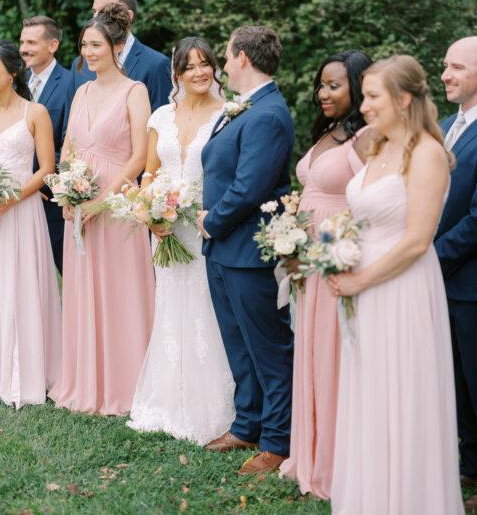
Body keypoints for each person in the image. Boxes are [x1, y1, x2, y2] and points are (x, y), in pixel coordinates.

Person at [328, 55, 464, 515]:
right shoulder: (374, 147)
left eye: (371, 97)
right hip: (362, 288)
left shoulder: (426, 152)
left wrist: (361, 279)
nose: (363, 106)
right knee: (369, 394)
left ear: (403, 99)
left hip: (401, 288)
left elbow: (417, 240)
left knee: (402, 396)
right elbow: (360, 215)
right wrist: (333, 252)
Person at [127, 37, 235, 444]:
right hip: (167, 230)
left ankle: (217, 403)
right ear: (177, 74)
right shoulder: (160, 117)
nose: (200, 72)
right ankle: (169, 398)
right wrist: (150, 212)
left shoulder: (228, 115)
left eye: (206, 64)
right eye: (190, 66)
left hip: (208, 227)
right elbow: (149, 174)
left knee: (209, 308)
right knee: (171, 308)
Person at [49, 4, 155, 416]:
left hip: (118, 203)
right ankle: (86, 380)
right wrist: (68, 193)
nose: (88, 52)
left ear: (115, 47)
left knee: (121, 288)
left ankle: (126, 384)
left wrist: (101, 200)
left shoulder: (136, 91)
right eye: (84, 45)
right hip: (80, 204)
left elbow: (139, 156)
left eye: (95, 44)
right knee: (84, 289)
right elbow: (70, 148)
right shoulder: (81, 91)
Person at [198, 25, 294, 475]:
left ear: (241, 57)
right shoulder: (244, 108)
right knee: (239, 345)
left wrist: (210, 221)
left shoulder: (269, 114)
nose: (223, 60)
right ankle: (247, 423)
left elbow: (250, 187)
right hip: (223, 250)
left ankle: (277, 440)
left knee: (267, 348)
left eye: (226, 53)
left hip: (248, 250)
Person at [279, 50, 373, 497]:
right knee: (312, 352)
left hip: (340, 259)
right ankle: (311, 452)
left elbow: (371, 205)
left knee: (336, 355)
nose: (323, 93)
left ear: (358, 87)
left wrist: (331, 252)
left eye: (334, 85)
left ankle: (339, 460)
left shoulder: (368, 139)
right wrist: (291, 240)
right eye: (321, 85)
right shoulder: (328, 132)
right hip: (308, 263)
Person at [0, 41, 61, 407]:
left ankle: (30, 369)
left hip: (22, 210)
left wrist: (11, 197)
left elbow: (47, 169)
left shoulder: (35, 112)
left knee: (24, 283)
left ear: (12, 72)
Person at [435, 36, 477, 514]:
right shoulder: (447, 126)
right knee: (456, 382)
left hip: (469, 281)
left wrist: (432, 256)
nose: (445, 74)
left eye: (457, 67)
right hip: (440, 282)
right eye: (446, 65)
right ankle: (469, 464)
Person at [19, 16, 73, 273]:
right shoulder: (16, 83)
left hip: (51, 201)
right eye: (21, 41)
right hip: (15, 199)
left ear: (52, 45)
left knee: (65, 271)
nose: (23, 48)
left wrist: (42, 183)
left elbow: (71, 143)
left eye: (31, 42)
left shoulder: (72, 84)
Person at [70, 0, 171, 112]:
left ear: (128, 16)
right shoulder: (80, 65)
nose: (96, 19)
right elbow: (69, 124)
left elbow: (161, 125)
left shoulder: (156, 65)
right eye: (94, 12)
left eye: (103, 12)